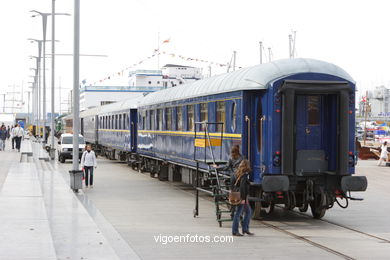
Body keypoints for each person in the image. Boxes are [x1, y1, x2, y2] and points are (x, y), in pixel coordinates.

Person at [232, 159, 254, 236]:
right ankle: (235, 231)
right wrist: (244, 199)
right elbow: (242, 188)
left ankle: (245, 229)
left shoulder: (237, 173)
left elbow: (233, 184)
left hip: (239, 196)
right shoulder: (244, 175)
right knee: (238, 213)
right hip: (242, 197)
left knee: (248, 212)